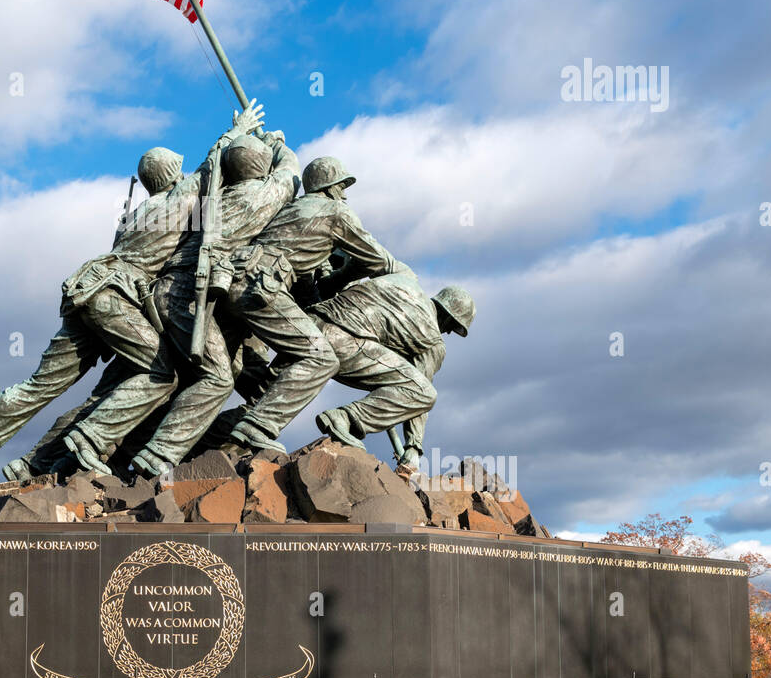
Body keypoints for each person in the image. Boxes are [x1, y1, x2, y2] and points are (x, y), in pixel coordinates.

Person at [0, 100, 266, 490]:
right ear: (173, 174)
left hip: (85, 289)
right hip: (112, 295)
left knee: (43, 385)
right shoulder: (180, 200)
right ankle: (90, 440)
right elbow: (214, 165)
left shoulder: (136, 215)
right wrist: (239, 130)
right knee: (160, 373)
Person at [62, 130, 300, 477]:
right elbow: (289, 175)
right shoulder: (261, 195)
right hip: (187, 294)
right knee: (216, 377)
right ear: (261, 168)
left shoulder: (207, 203)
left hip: (162, 294)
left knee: (188, 376)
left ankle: (112, 447)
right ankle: (152, 454)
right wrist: (278, 143)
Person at [222, 155, 402, 453]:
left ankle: (214, 440)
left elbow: (304, 281)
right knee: (322, 358)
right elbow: (377, 259)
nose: (344, 194)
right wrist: (402, 275)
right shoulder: (336, 212)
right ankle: (256, 427)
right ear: (329, 187)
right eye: (341, 186)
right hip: (261, 287)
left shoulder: (292, 210)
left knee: (249, 378)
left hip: (236, 281)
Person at [307, 268, 475, 470]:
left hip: (310, 322)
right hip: (343, 343)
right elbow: (418, 393)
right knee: (425, 393)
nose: (448, 332)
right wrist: (413, 447)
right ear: (448, 316)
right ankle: (346, 418)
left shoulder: (404, 287)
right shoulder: (432, 339)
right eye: (454, 326)